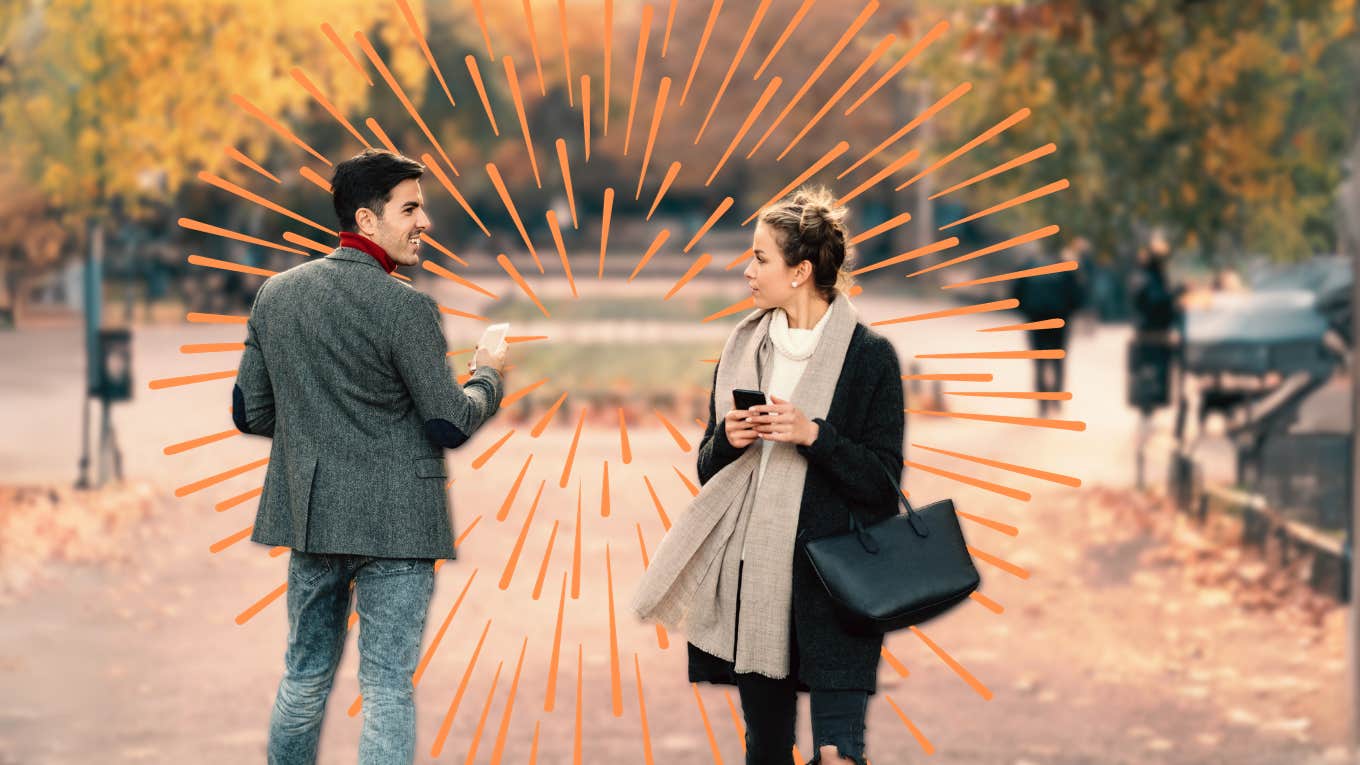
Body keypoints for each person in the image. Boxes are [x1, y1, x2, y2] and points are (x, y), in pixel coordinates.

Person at [232, 148, 508, 764]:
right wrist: (487, 376)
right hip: (399, 524)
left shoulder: (276, 296)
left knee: (304, 675)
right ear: (367, 218)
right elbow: (449, 420)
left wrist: (317, 425)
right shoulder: (406, 307)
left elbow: (250, 412)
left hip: (312, 514)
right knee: (386, 688)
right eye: (410, 208)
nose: (424, 222)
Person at [632, 186, 905, 765]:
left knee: (839, 752)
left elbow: (883, 486)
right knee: (767, 752)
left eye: (760, 257)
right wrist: (726, 441)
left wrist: (815, 436)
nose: (747, 269)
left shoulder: (869, 357)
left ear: (801, 270)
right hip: (755, 587)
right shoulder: (743, 348)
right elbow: (709, 469)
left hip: (838, 591)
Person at [1010, 238, 1087, 416]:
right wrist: (1070, 312)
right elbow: (1078, 296)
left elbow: (1015, 295)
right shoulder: (1067, 267)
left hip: (1035, 318)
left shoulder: (1028, 265)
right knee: (1058, 360)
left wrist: (1026, 311)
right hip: (1060, 319)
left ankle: (1042, 402)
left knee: (1038, 362)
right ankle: (1056, 398)